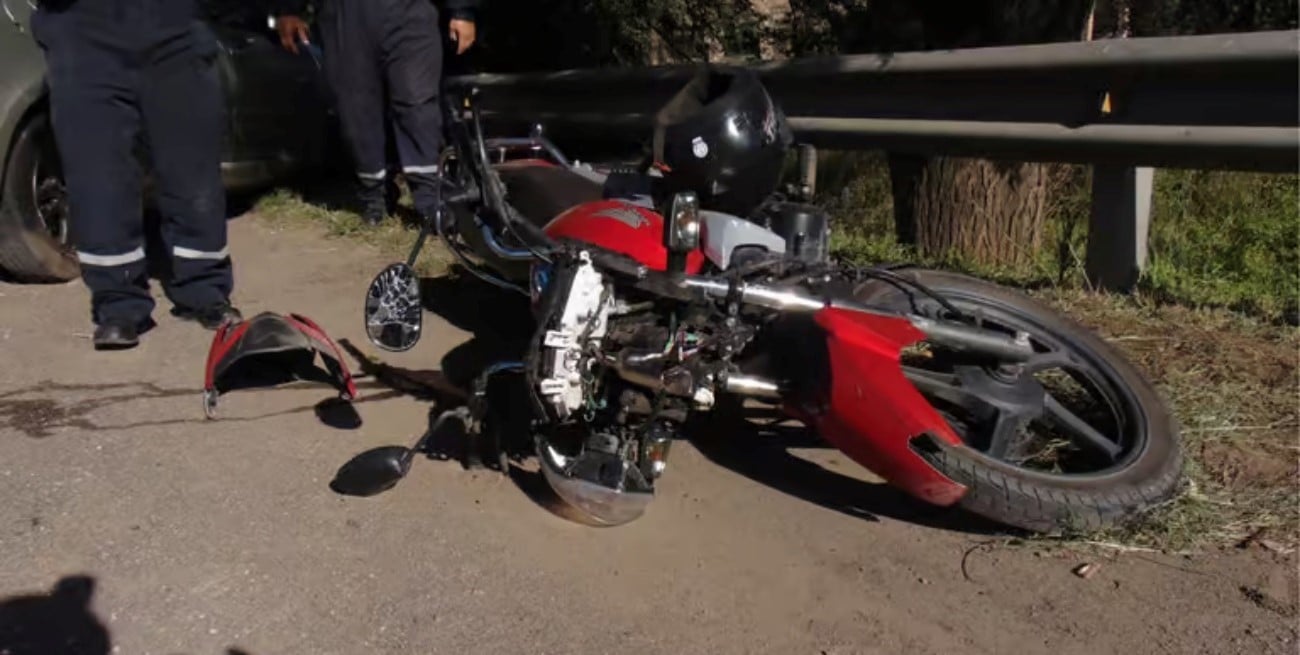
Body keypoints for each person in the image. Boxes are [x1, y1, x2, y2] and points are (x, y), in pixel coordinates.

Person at [29, 0, 242, 351]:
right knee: (98, 178)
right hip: (83, 32)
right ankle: (118, 304)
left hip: (173, 25)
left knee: (192, 169)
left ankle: (204, 290)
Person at [272, 0, 479, 227]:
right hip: (343, 15)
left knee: (417, 104)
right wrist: (288, 10)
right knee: (356, 109)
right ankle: (374, 195)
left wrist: (462, 11)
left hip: (411, 12)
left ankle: (429, 200)